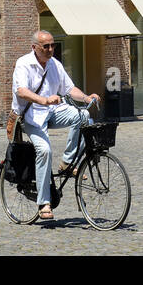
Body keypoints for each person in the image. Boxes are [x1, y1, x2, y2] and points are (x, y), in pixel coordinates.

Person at [12, 30, 100, 221]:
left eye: (53, 45)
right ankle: (44, 203)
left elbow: (69, 89)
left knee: (83, 116)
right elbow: (21, 91)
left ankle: (67, 162)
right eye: (46, 46)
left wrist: (86, 98)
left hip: (52, 111)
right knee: (44, 151)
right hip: (31, 117)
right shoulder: (23, 64)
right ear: (34, 47)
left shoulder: (55, 64)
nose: (50, 49)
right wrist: (44, 100)